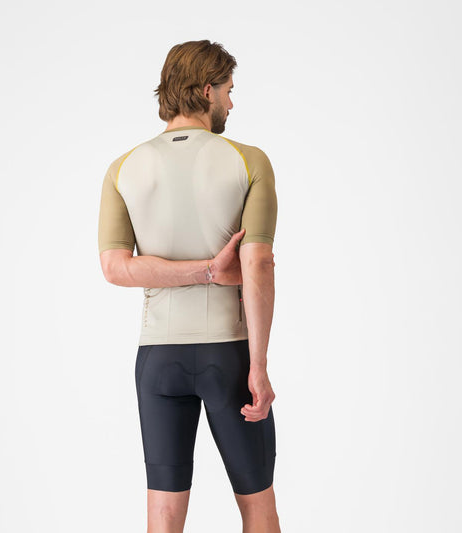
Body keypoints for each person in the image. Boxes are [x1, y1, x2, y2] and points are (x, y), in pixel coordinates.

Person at [98, 39, 281, 533]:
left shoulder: (123, 168)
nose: (231, 103)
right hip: (229, 357)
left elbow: (115, 267)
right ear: (206, 91)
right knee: (258, 506)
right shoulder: (249, 160)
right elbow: (258, 263)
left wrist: (197, 271)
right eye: (228, 90)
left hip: (157, 361)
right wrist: (258, 367)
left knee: (163, 515)